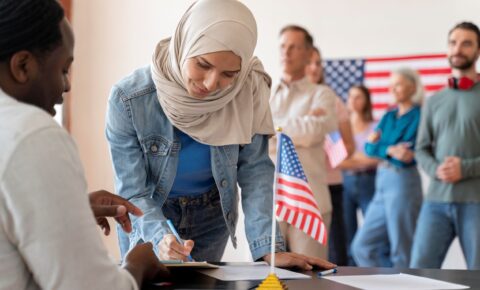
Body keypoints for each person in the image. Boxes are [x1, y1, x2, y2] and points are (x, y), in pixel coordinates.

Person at [106, 0, 335, 270]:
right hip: (149, 215)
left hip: (211, 215)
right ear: (185, 45)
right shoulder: (129, 98)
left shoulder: (247, 90)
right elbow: (133, 190)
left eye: (229, 73)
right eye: (203, 64)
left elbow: (255, 171)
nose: (212, 83)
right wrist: (159, 236)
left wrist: (268, 248)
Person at [0, 0, 168, 289]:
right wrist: (137, 263)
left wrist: (65, 210)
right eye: (64, 69)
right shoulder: (32, 133)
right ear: (23, 66)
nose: (66, 86)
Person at [410, 22, 480, 270]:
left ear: (478, 50)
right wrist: (436, 169)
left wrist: (466, 169)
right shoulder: (435, 100)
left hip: (476, 201)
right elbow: (421, 149)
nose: (458, 48)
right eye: (453, 42)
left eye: (466, 43)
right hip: (436, 202)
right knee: (419, 272)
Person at [269, 25, 338, 260]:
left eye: (294, 47)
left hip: (310, 202)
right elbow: (250, 135)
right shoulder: (262, 92)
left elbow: (314, 132)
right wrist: (299, 124)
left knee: (309, 280)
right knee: (263, 279)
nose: (286, 52)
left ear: (309, 54)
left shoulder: (323, 94)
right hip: (268, 202)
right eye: (283, 46)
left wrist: (270, 128)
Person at [351, 68, 424, 268]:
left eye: (398, 84)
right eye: (391, 84)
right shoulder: (389, 115)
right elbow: (368, 147)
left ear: (412, 87)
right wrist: (390, 149)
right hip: (382, 182)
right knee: (362, 246)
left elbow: (406, 157)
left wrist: (382, 147)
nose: (392, 88)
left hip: (403, 183)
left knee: (402, 250)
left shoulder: (419, 115)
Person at [305, 46, 355, 265]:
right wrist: (307, 125)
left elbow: (350, 145)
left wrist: (325, 130)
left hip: (329, 184)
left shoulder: (333, 101)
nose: (315, 67)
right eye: (310, 62)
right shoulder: (284, 99)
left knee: (336, 251)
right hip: (297, 187)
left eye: (318, 62)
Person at [340, 85, 379, 266]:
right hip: (345, 182)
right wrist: (363, 158)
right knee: (348, 235)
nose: (354, 101)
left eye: (359, 97)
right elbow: (338, 161)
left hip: (369, 182)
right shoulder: (341, 127)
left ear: (366, 101)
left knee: (372, 233)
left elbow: (378, 158)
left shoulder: (376, 126)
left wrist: (352, 158)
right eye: (351, 97)